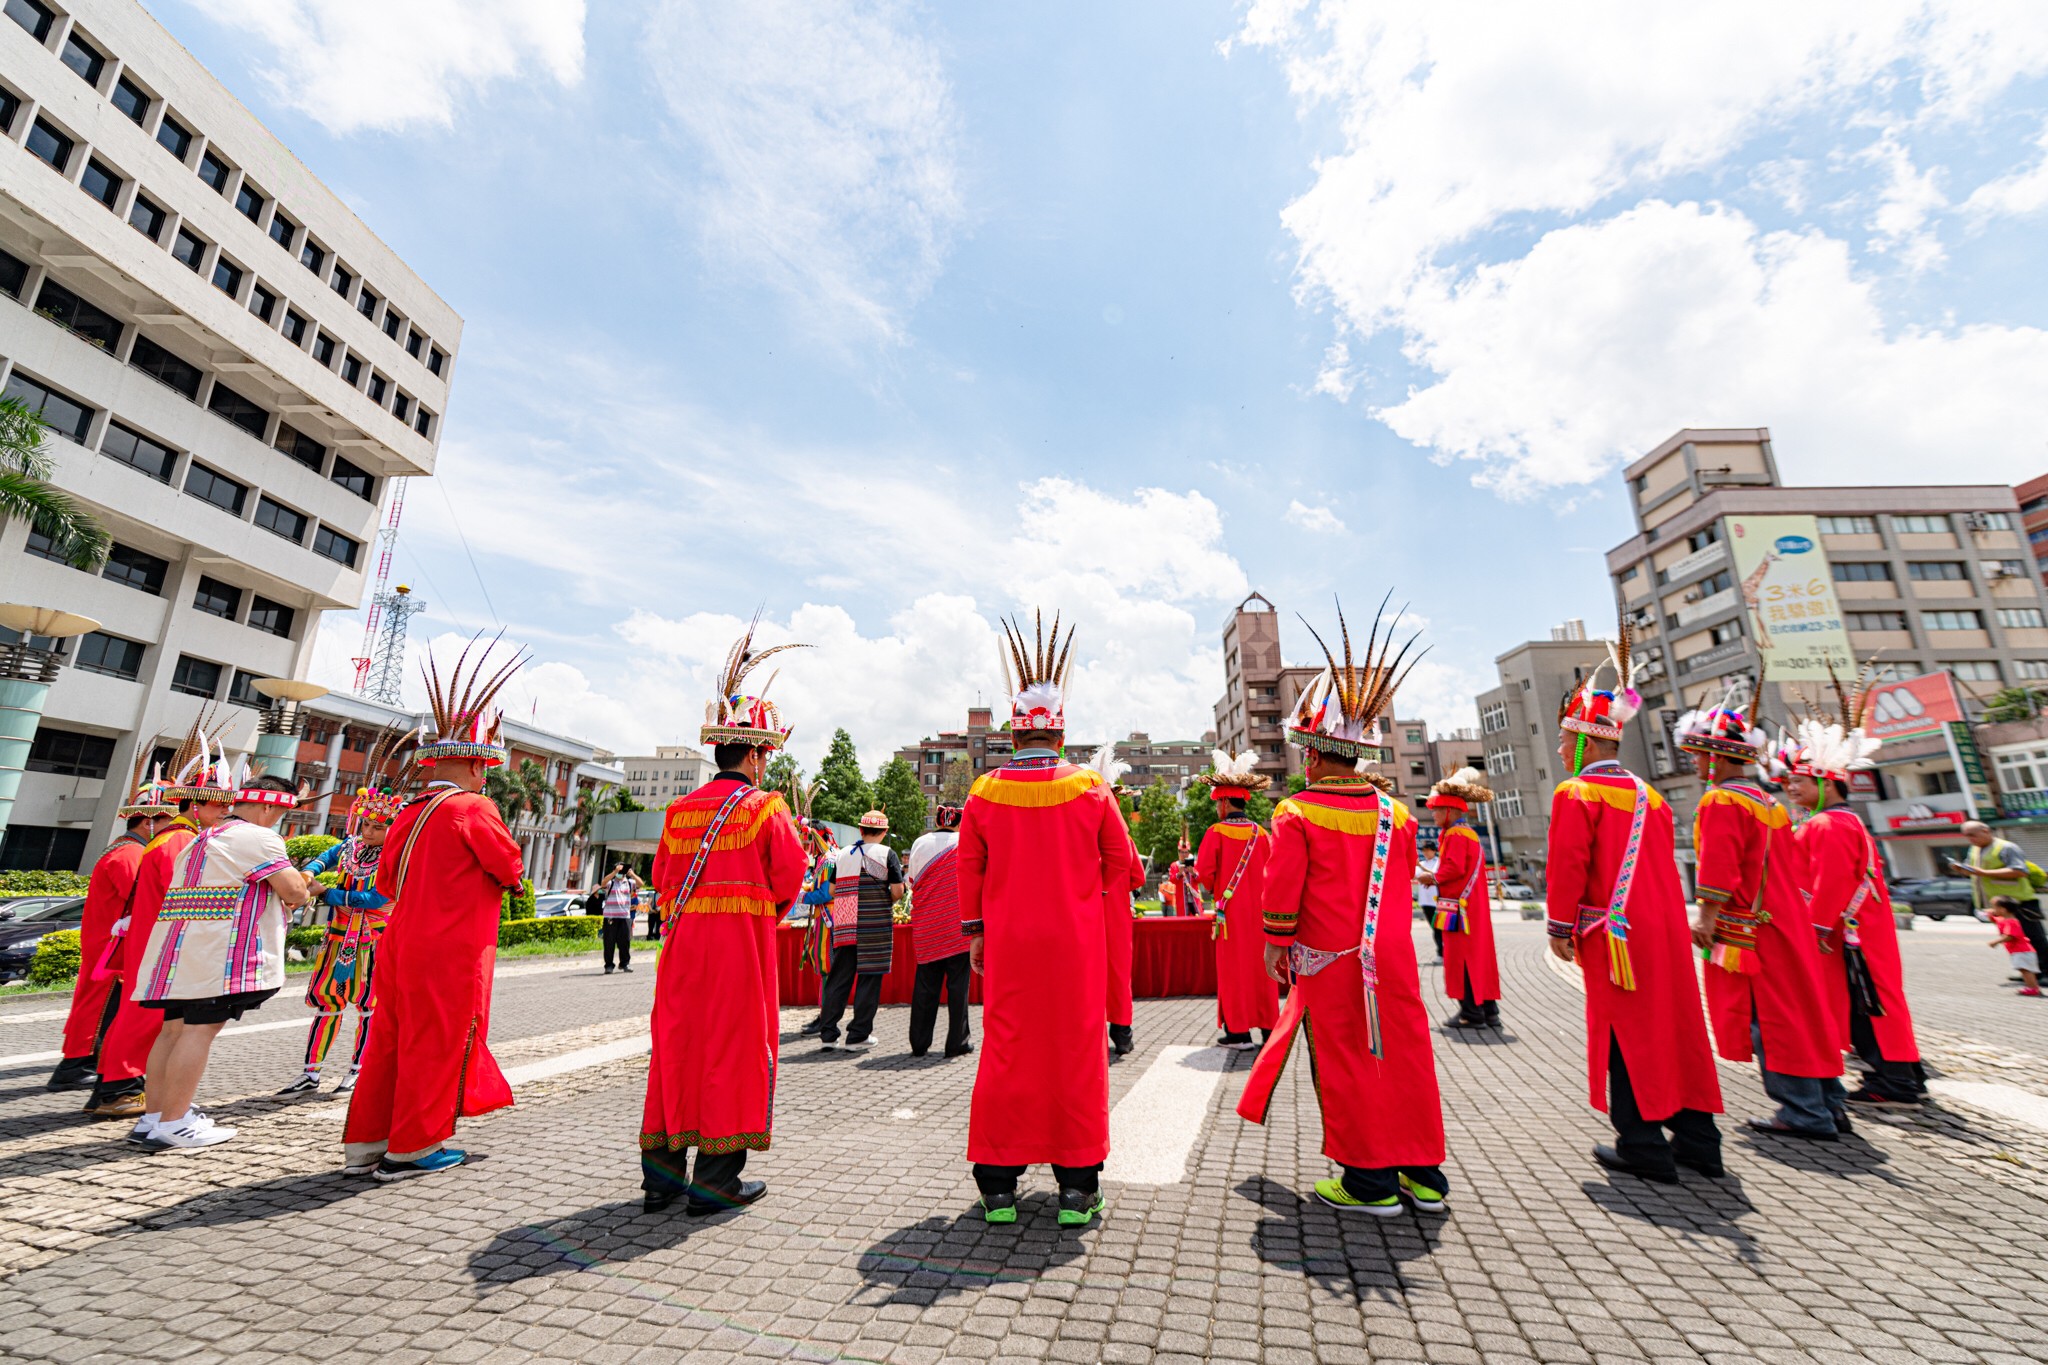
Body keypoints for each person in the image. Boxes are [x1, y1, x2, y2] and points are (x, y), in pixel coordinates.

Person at [1236, 600, 1447, 1215]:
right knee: (1405, 1056)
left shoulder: (1298, 811)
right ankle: (1425, 1176)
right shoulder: (1398, 815)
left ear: (1316, 752)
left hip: (1330, 960)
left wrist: (1276, 944)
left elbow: (1284, 892)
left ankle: (1367, 1183)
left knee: (1350, 1060)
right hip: (1394, 957)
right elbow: (1405, 884)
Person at [961, 610, 1132, 1226]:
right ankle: (1077, 1189)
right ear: (1061, 735)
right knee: (1075, 1051)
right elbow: (1124, 863)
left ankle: (999, 1188)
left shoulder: (984, 792)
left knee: (1008, 1050)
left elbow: (969, 873)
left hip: (1009, 942)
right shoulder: (1090, 788)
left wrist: (977, 932)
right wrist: (1085, 900)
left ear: (1014, 734)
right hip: (1075, 944)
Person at [640, 625, 810, 1215]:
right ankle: (714, 1184)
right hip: (740, 947)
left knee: (677, 1048)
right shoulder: (766, 805)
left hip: (684, 945)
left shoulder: (679, 809)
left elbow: (662, 879)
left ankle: (660, 1181)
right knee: (732, 1052)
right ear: (757, 754)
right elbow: (790, 876)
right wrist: (763, 914)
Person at [343, 637, 527, 1179]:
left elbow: (386, 881)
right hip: (450, 945)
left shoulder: (407, 812)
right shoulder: (472, 807)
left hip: (400, 938)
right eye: (485, 766)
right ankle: (414, 1147)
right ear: (473, 765)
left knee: (390, 1039)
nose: (486, 775)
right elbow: (510, 868)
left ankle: (367, 1144)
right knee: (437, 1040)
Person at [1544, 626, 1723, 1184]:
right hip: (1663, 931)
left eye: (1564, 740)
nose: (1560, 750)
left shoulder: (1579, 793)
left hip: (1615, 937)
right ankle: (1699, 1139)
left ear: (1587, 743)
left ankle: (1643, 1143)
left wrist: (1557, 927)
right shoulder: (1650, 795)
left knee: (1626, 1035)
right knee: (1678, 1028)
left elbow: (1569, 865)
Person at [1680, 694, 1843, 1139]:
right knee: (1803, 1010)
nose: (1694, 762)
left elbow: (1719, 867)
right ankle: (1829, 1102)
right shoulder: (1767, 801)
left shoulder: (1721, 801)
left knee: (1771, 1019)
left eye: (1698, 754)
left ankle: (1805, 1112)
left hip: (1752, 929)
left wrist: (1705, 917)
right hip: (1784, 918)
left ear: (1716, 757)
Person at [132, 761, 312, 1151]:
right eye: (281, 814)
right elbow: (294, 891)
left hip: (179, 953)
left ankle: (153, 1117)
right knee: (199, 1031)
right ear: (268, 808)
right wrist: (307, 885)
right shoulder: (258, 839)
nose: (279, 821)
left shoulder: (202, 838)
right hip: (218, 953)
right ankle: (176, 1122)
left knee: (172, 1031)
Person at [1784, 688, 1925, 1106]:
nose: (1791, 787)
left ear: (1826, 782)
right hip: (1855, 932)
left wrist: (1814, 929)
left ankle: (1895, 1081)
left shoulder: (1829, 825)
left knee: (1868, 1004)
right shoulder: (1837, 821)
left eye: (1798, 781)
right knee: (1875, 1002)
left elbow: (1829, 883)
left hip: (1849, 936)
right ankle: (1903, 1075)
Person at [83, 718, 224, 1121]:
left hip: (151, 942)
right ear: (194, 806)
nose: (223, 812)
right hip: (160, 945)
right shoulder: (179, 841)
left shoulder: (168, 839)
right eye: (217, 805)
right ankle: (119, 1090)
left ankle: (115, 1088)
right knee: (144, 1021)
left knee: (137, 1018)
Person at [280, 731, 409, 1097]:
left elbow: (374, 897)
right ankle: (310, 1071)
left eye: (379, 826)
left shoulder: (393, 858)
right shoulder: (351, 845)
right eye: (366, 824)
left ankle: (359, 1069)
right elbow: (327, 856)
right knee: (326, 1002)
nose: (369, 831)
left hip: (373, 939)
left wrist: (328, 892)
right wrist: (309, 872)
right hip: (337, 936)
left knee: (369, 1005)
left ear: (392, 829)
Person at [46, 755, 175, 1093]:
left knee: (97, 1005)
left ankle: (82, 1064)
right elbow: (143, 896)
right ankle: (78, 1065)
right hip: (111, 946)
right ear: (149, 821)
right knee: (100, 1007)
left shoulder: (129, 850)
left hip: (108, 943)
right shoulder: (130, 854)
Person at [1191, 749, 1278, 1050]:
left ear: (1226, 802)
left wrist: (1220, 891)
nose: (1217, 807)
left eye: (1217, 802)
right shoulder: (1263, 834)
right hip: (1262, 917)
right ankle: (1269, 1029)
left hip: (1230, 918)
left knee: (1234, 973)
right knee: (1262, 972)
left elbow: (1204, 874)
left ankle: (1239, 1033)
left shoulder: (1216, 832)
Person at [817, 810, 906, 1052]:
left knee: (839, 979)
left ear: (861, 830)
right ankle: (858, 1035)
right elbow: (897, 891)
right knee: (869, 979)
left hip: (846, 923)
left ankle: (828, 1033)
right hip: (874, 924)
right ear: (885, 832)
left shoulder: (845, 853)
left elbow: (833, 890)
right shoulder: (887, 853)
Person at [1425, 767, 1501, 1028]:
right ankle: (1489, 1010)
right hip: (1471, 907)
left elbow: (1453, 868)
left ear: (1450, 810)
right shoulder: (1467, 833)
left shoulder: (1456, 835)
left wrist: (1430, 877)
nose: (1432, 814)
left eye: (1436, 809)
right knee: (1479, 956)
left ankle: (1471, 1012)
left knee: (1462, 958)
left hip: (1459, 910)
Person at [907, 804, 973, 1057]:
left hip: (927, 926)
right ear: (958, 823)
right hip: (957, 926)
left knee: (925, 987)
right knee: (958, 989)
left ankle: (919, 1043)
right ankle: (957, 1043)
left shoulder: (919, 843)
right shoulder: (965, 842)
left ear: (937, 821)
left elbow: (912, 881)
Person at [1094, 748, 1145, 1057]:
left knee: (1088, 974)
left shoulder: (1082, 836)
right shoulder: (1123, 838)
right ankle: (1122, 1035)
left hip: (1085, 914)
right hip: (1116, 917)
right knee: (1118, 974)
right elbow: (1138, 877)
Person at [1953, 822, 2048, 979]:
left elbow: (2019, 871)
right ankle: (2028, 972)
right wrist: (1963, 869)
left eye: (1972, 835)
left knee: (2034, 939)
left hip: (2019, 903)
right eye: (1967, 836)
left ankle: (2045, 972)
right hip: (1998, 907)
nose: (1970, 839)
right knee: (2015, 941)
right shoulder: (1975, 850)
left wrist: (1983, 872)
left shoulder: (2007, 847)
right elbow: (1974, 871)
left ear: (1985, 831)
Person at [1989, 896, 2041, 996]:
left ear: (2003, 909)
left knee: (2026, 970)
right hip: (2021, 951)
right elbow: (1996, 921)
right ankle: (2032, 987)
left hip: (2023, 951)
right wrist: (1991, 916)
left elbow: (2010, 936)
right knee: (2025, 969)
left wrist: (1995, 942)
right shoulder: (2005, 919)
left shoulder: (2011, 922)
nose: (1993, 909)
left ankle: (2033, 988)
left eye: (1994, 907)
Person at [599, 863, 644, 974]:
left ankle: (625, 963)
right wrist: (614, 872)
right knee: (609, 942)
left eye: (621, 871)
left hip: (624, 916)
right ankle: (608, 965)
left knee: (625, 942)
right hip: (610, 916)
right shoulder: (611, 882)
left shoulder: (629, 883)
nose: (620, 873)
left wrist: (632, 874)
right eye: (618, 871)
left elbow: (641, 884)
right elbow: (603, 883)